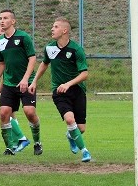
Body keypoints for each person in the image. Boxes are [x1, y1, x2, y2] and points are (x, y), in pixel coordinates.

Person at [29, 17, 92, 162]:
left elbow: (84, 74)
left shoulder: (76, 49)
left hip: (77, 91)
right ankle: (85, 152)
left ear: (64, 31)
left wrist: (69, 84)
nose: (52, 29)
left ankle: (71, 136)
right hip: (59, 91)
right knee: (70, 120)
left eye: (56, 26)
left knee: (80, 128)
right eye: (52, 26)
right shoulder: (49, 48)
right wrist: (34, 82)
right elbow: (44, 64)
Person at [0, 9, 42, 156]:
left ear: (13, 21)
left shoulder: (24, 37)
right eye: (0, 18)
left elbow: (32, 58)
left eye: (5, 18)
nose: (2, 21)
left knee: (29, 112)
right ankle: (10, 147)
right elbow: (1, 63)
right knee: (4, 113)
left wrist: (25, 79)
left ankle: (37, 142)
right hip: (9, 85)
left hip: (26, 83)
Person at [0, 24, 31, 153]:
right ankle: (15, 143)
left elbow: (8, 72)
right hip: (9, 85)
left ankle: (20, 139)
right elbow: (5, 71)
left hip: (16, 85)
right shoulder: (1, 45)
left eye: (1, 31)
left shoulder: (13, 46)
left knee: (3, 114)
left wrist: (0, 87)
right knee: (9, 115)